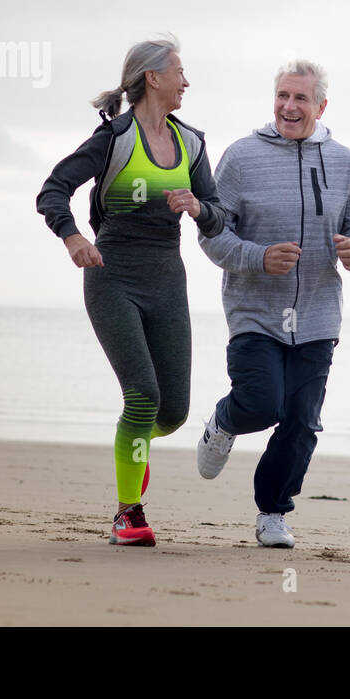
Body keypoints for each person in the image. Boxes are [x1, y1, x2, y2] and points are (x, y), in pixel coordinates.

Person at [35, 34, 226, 547]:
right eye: (180, 72)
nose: (187, 82)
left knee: (173, 412)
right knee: (142, 396)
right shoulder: (113, 138)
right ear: (153, 78)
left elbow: (218, 216)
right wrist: (72, 236)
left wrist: (199, 208)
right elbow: (53, 188)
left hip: (167, 278)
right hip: (111, 273)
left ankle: (132, 443)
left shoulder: (193, 143)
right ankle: (128, 513)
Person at [196, 59, 350, 547]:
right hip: (255, 311)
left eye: (300, 98)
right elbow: (212, 235)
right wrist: (258, 258)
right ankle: (223, 422)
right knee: (261, 403)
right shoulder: (240, 158)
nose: (288, 106)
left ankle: (273, 513)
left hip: (318, 315)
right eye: (282, 96)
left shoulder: (345, 162)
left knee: (301, 422)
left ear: (321, 106)